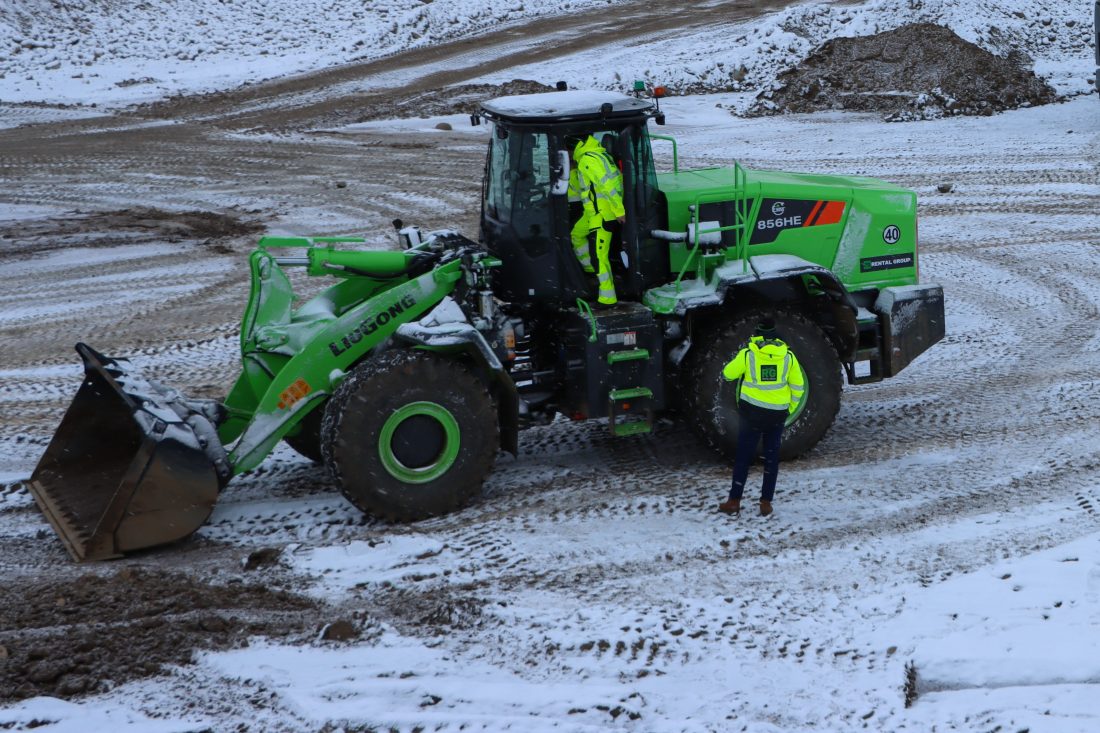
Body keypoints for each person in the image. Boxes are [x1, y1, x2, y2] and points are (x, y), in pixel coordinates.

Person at [717, 317, 805, 517]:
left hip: (752, 414)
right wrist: (788, 409)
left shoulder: (748, 355)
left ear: (757, 335)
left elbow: (727, 374)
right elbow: (798, 387)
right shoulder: (788, 357)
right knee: (771, 457)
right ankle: (766, 502)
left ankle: (734, 501)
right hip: (777, 415)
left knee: (744, 456)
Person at [570, 134, 625, 306]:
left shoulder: (588, 160)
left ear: (575, 147)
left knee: (599, 257)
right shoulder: (597, 155)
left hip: (602, 215)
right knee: (576, 235)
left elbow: (607, 186)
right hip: (592, 213)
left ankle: (608, 297)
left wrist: (618, 211)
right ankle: (590, 270)